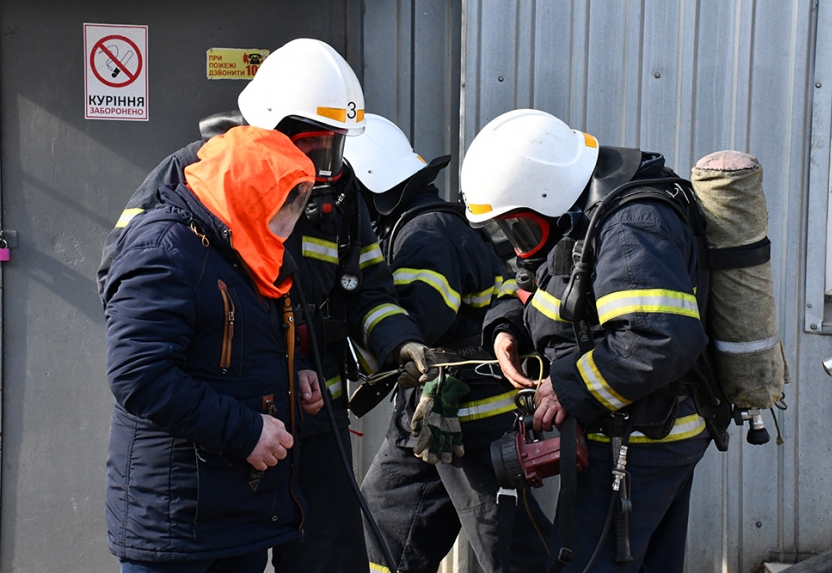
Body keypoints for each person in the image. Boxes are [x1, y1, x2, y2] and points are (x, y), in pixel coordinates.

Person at [96, 38, 432, 573]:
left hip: (312, 402)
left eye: (335, 148)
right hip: (226, 419)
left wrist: (399, 343)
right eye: (314, 146)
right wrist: (219, 377)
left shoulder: (337, 190)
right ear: (269, 128)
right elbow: (126, 287)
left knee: (326, 554)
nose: (324, 168)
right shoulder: (193, 178)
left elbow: (370, 287)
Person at [461, 109, 713, 572]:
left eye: (521, 228)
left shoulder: (630, 228)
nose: (518, 244)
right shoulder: (578, 218)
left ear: (551, 194)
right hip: (635, 439)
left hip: (638, 448)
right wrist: (507, 327)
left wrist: (569, 386)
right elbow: (539, 281)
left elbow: (660, 338)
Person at [101, 126, 324, 572]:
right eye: (282, 207)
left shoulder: (238, 246)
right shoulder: (163, 249)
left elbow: (238, 339)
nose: (287, 226)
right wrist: (245, 432)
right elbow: (140, 376)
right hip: (177, 522)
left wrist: (294, 368)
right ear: (248, 195)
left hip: (236, 515)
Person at [344, 114, 553, 573]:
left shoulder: (426, 236)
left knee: (506, 546)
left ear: (370, 190)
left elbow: (418, 325)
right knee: (382, 533)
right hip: (427, 420)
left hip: (469, 424)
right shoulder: (424, 226)